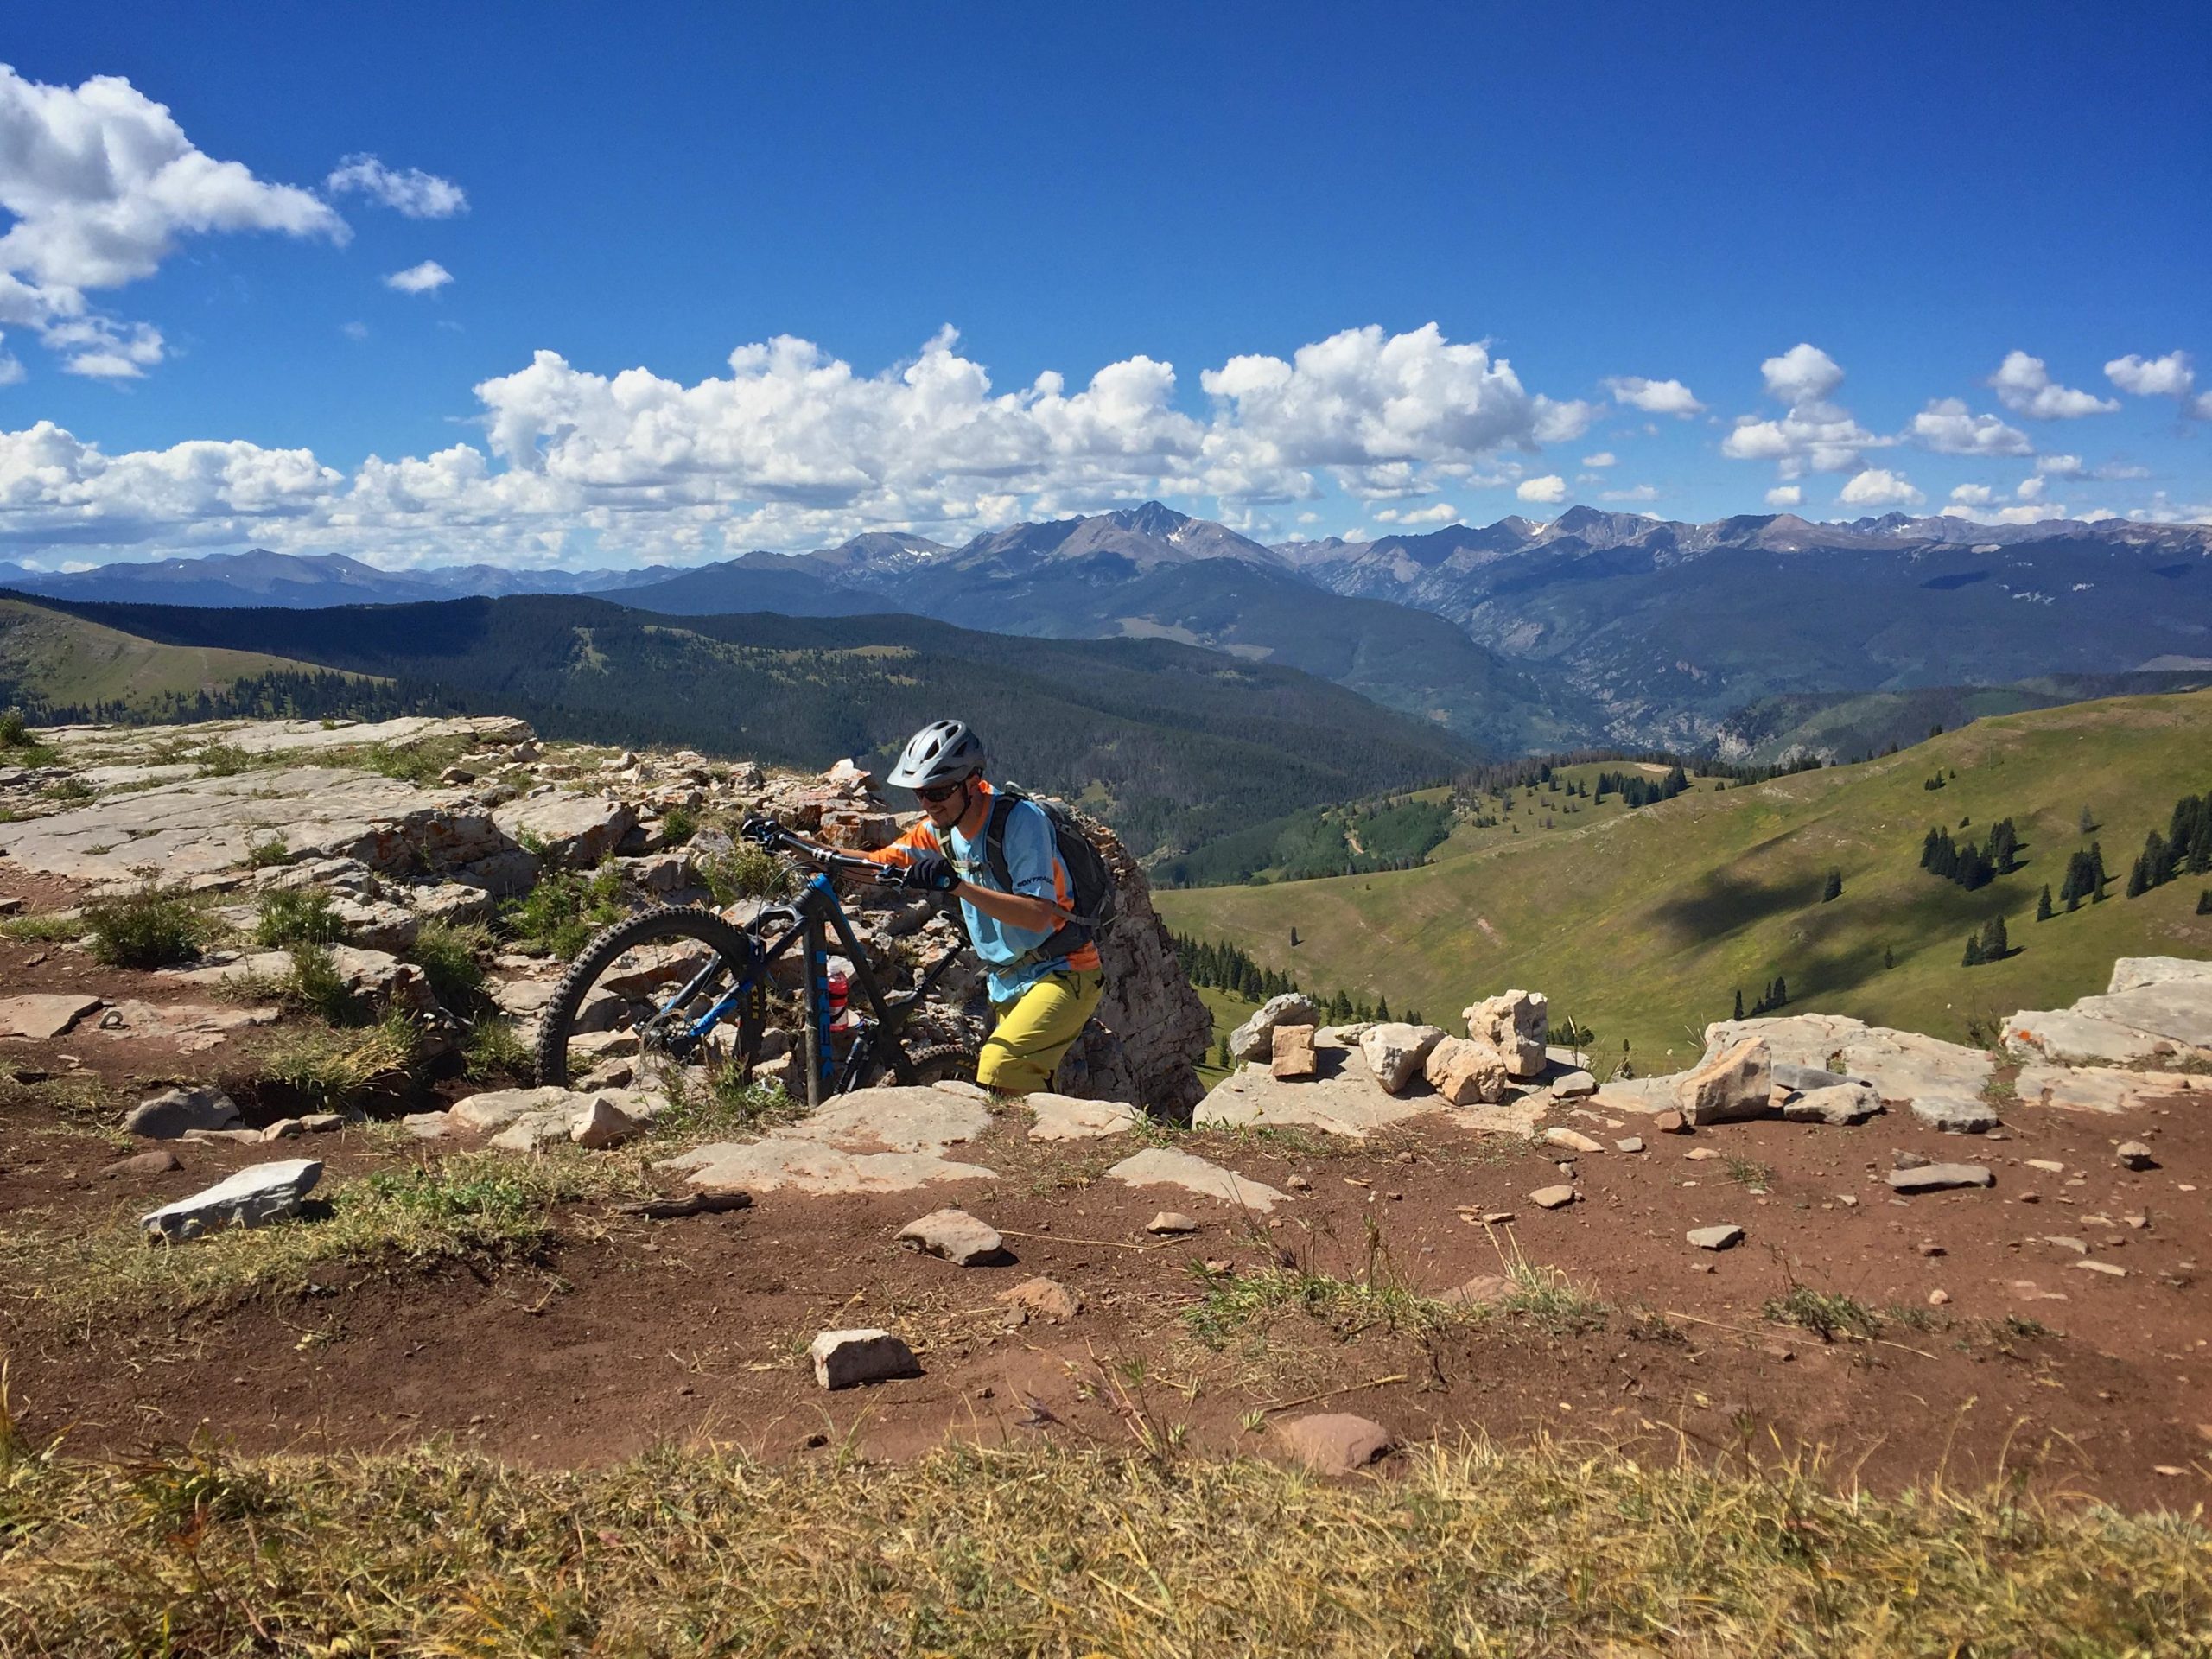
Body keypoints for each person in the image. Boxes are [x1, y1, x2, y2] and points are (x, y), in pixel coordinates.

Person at [857, 719, 1105, 1097]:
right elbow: (878, 865)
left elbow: (1036, 913)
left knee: (999, 1065)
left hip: (1065, 968)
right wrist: (798, 847)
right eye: (920, 793)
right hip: (1007, 980)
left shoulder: (1020, 822)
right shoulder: (941, 829)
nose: (927, 803)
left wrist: (956, 885)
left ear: (973, 781)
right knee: (1024, 1090)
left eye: (938, 791)